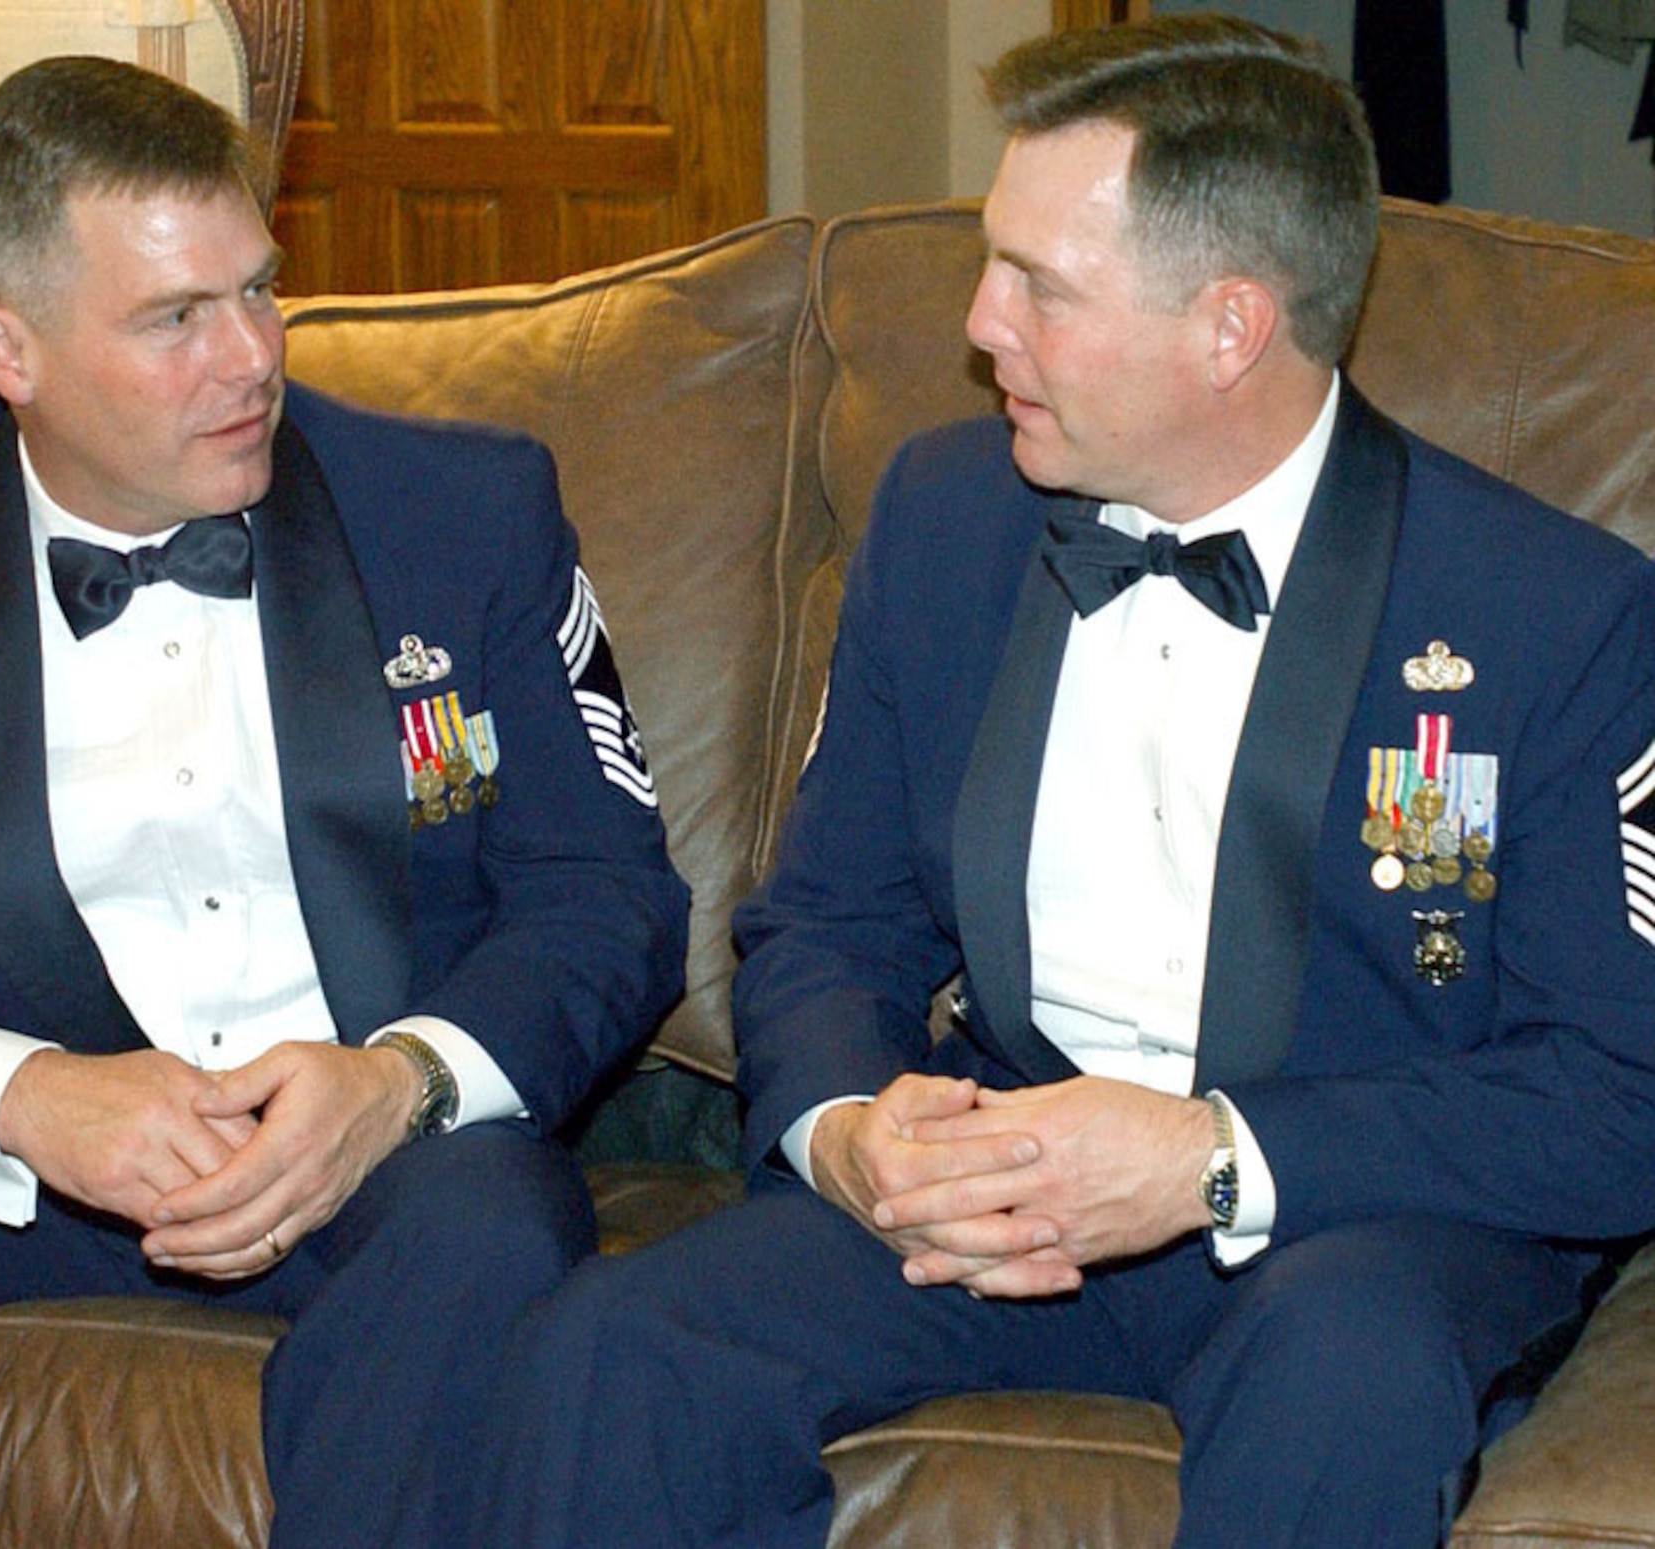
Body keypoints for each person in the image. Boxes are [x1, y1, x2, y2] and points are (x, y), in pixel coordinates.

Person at [473, 15, 1655, 1548]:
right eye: (991, 263)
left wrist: (1212, 1157)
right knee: (614, 1353)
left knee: (1347, 1383)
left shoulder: (1551, 614)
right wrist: (849, 1127)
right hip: (999, 1186)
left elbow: (1621, 1087)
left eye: (1039, 283)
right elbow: (827, 923)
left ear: (1231, 328)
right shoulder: (947, 517)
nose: (980, 324)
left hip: (1353, 1219)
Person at [0, 55, 687, 1549]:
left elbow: (608, 893)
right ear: (5, 345)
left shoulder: (462, 509)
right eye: (174, 320)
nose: (251, 356)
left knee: (488, 1231)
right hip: (18, 1165)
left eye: (257, 291)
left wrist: (399, 1081)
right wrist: (25, 1101)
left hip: (373, 1167)